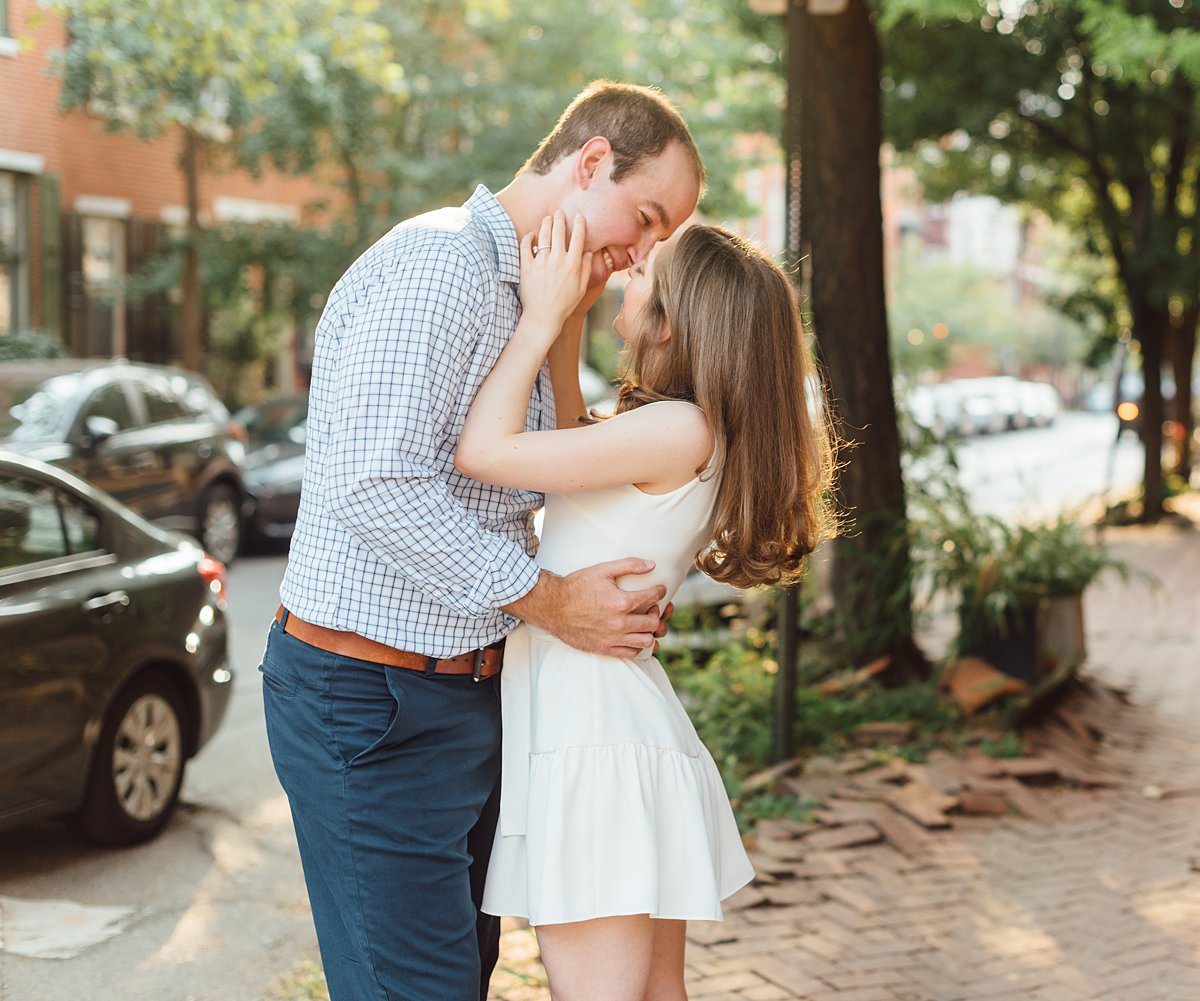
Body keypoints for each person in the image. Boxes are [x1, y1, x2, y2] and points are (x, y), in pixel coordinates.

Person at [259, 82, 703, 1001]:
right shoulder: (441, 270)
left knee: (455, 980)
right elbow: (377, 482)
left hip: (465, 698)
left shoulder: (535, 293)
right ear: (589, 163)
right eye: (646, 215)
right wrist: (551, 602)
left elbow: (537, 476)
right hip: (369, 697)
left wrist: (563, 322)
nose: (644, 252)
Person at [454, 213, 837, 1001]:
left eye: (641, 275)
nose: (625, 270)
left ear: (669, 325)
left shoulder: (678, 427)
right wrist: (568, 327)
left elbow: (485, 454)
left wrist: (539, 319)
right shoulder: (681, 429)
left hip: (593, 739)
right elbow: (562, 451)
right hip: (611, 728)